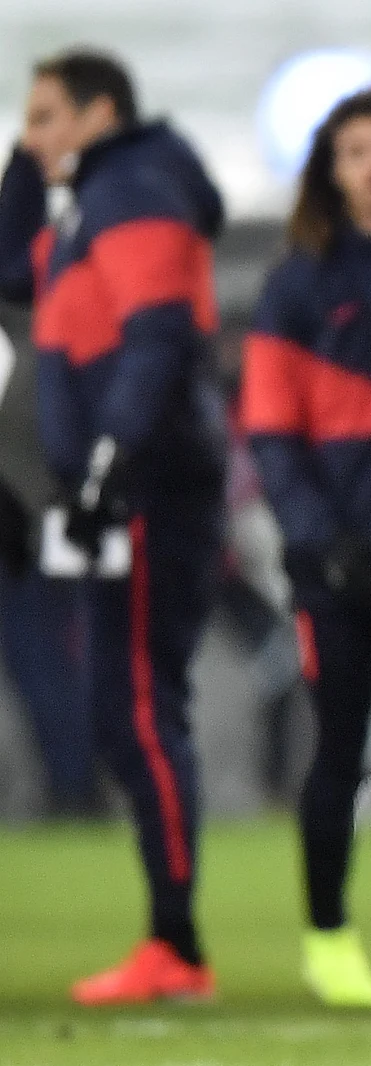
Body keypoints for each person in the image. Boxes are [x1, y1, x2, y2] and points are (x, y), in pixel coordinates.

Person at [0, 49, 227, 1005]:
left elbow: (158, 333)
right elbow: (7, 265)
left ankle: (176, 943)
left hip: (144, 485)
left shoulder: (135, 185)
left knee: (136, 708)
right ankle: (170, 936)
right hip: (120, 487)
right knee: (122, 710)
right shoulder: (94, 198)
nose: (33, 133)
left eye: (47, 115)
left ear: (100, 114)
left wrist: (110, 458)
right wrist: (27, 159)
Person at [237, 90, 371, 1010]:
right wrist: (315, 541)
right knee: (336, 749)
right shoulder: (297, 281)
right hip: (335, 565)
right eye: (352, 151)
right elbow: (271, 429)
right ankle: (328, 935)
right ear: (329, 169)